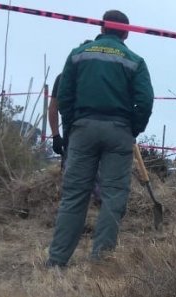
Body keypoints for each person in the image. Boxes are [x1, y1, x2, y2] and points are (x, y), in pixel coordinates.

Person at [46, 10, 154, 268]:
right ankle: (101, 262)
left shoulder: (77, 55)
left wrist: (72, 127)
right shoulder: (135, 61)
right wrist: (132, 129)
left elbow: (65, 95)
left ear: (102, 28)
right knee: (114, 196)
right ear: (126, 33)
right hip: (119, 130)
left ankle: (57, 261)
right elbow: (146, 101)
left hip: (83, 128)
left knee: (74, 195)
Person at [47, 56, 101, 207]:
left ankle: (79, 211)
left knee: (74, 183)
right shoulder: (65, 77)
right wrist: (56, 136)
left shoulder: (65, 76)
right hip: (81, 139)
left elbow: (53, 108)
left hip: (76, 138)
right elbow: (53, 108)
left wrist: (56, 135)